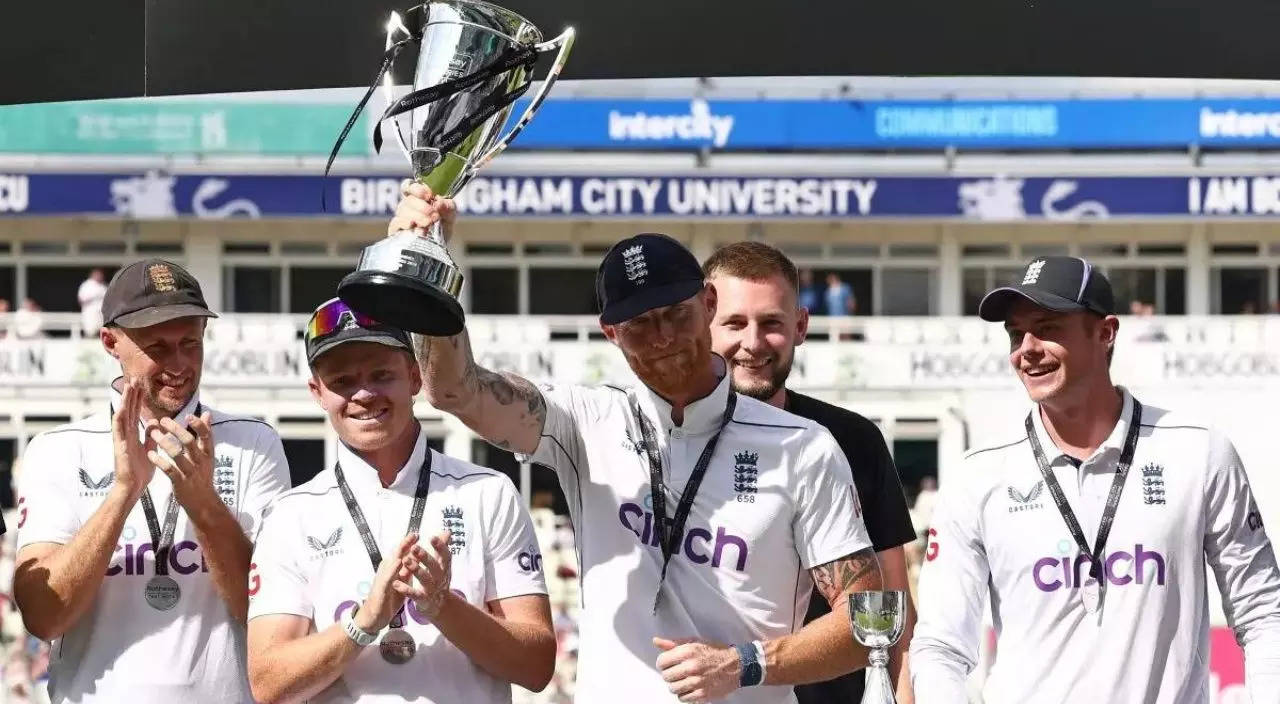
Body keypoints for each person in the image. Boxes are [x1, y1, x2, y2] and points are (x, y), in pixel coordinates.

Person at [388, 183, 882, 704]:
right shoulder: (585, 419)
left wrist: (746, 663)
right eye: (640, 324)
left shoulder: (803, 447)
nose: (663, 336)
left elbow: (869, 620)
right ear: (610, 333)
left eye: (676, 314)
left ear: (708, 303)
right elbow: (452, 389)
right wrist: (427, 262)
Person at [910, 256, 1280, 703]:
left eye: (1047, 328)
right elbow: (940, 648)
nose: (1026, 348)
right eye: (1014, 334)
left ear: (1105, 334)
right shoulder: (979, 474)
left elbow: (1263, 614)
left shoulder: (1199, 452)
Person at [246, 297, 555, 703]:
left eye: (381, 374)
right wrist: (364, 622)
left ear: (414, 378)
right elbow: (268, 684)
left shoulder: (487, 492)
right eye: (341, 381)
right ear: (317, 392)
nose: (364, 394)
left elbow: (536, 667)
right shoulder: (292, 514)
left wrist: (443, 607)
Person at [11, 258, 291, 703]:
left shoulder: (254, 441)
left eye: (191, 344)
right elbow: (43, 617)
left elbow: (265, 614)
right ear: (110, 341)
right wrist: (123, 494)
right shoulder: (58, 448)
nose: (178, 364)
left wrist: (203, 504)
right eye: (158, 347)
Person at [703, 241, 917, 704]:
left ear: (800, 326)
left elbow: (893, 600)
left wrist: (903, 697)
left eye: (772, 324)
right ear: (703, 323)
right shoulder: (672, 437)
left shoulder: (851, 439)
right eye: (735, 323)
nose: (753, 343)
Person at [78, 268, 108, 336]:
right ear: (93, 275)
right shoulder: (86, 285)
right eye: (98, 274)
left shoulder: (103, 286)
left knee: (101, 333)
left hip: (101, 315)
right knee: (91, 333)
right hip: (90, 314)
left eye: (101, 275)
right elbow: (81, 300)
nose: (100, 276)